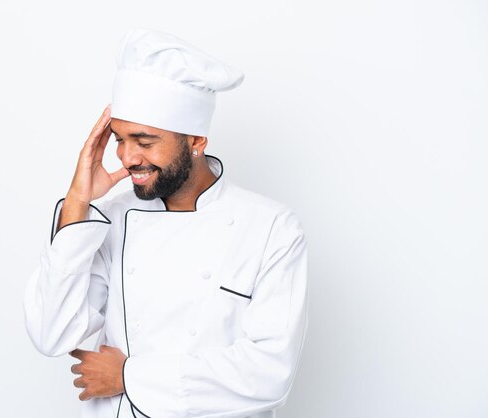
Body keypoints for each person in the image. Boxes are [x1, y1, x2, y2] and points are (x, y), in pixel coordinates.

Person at [23, 28, 309, 418]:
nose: (127, 157)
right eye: (120, 140)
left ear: (196, 140)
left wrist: (129, 376)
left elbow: (269, 374)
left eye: (144, 141)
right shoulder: (111, 218)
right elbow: (51, 333)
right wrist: (77, 202)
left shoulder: (271, 228)